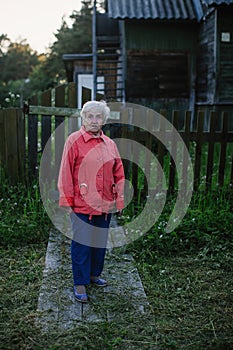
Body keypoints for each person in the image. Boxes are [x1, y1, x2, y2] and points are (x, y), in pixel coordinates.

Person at [57, 100, 125, 303]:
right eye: (90, 116)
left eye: (98, 117)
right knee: (82, 244)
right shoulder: (73, 140)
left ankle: (94, 274)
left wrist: (119, 201)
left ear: (104, 120)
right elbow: (65, 173)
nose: (94, 121)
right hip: (82, 205)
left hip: (105, 204)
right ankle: (80, 281)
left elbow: (119, 173)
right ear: (83, 118)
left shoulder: (110, 144)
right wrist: (67, 201)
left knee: (99, 243)